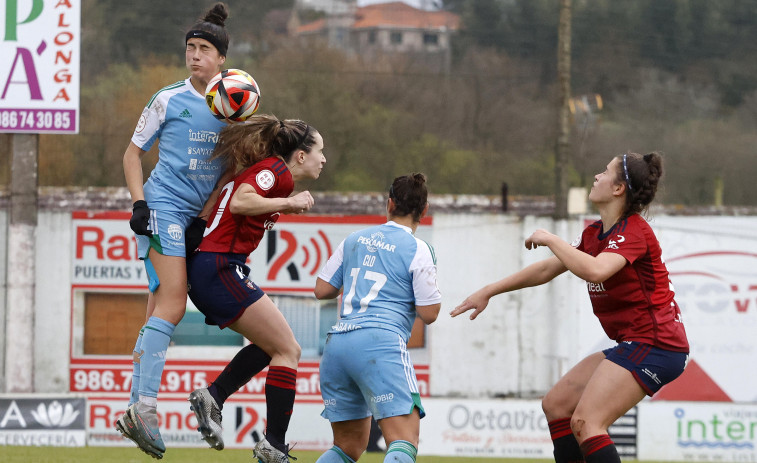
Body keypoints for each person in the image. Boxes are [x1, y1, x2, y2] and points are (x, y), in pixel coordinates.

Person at [451, 152, 689, 463]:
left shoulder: (634, 232)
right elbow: (546, 269)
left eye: (604, 172)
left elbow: (596, 271)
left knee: (587, 422)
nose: (596, 176)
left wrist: (552, 239)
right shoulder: (595, 233)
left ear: (619, 188)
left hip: (658, 345)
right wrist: (489, 291)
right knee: (558, 405)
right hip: (636, 342)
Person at [115, 3, 232, 459]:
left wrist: (203, 219)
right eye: (190, 49)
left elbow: (229, 174)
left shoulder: (234, 105)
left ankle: (135, 407)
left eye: (204, 49)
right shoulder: (168, 97)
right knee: (175, 301)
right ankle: (144, 410)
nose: (195, 56)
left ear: (222, 58)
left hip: (192, 217)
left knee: (157, 314)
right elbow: (131, 155)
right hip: (161, 204)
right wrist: (139, 203)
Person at [186, 114, 326, 463]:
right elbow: (239, 202)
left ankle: (215, 396)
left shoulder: (273, 173)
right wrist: (287, 203)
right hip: (218, 267)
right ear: (300, 155)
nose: (324, 159)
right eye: (320, 151)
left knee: (273, 346)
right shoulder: (275, 173)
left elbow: (231, 196)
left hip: (214, 268)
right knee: (289, 349)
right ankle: (272, 445)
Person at [313, 173, 442, 463]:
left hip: (338, 344)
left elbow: (322, 290)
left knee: (346, 448)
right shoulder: (419, 249)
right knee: (404, 440)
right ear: (424, 210)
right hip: (380, 342)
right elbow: (429, 313)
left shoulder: (354, 239)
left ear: (389, 204)